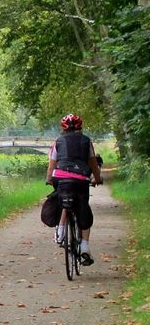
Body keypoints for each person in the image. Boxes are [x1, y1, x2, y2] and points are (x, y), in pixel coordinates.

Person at [46, 113, 103, 264]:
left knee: (63, 198)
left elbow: (52, 164)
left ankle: (59, 231)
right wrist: (97, 179)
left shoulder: (57, 142)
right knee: (83, 207)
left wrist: (49, 179)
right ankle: (84, 247)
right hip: (81, 178)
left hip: (61, 176)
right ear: (80, 127)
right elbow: (93, 164)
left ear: (63, 128)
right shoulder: (86, 141)